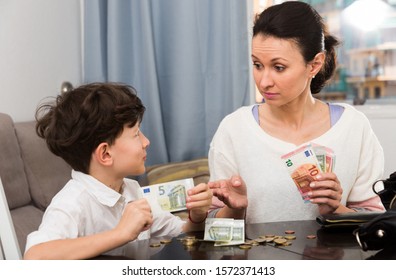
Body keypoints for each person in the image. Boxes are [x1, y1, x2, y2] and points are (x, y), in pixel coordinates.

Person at [208, 1, 385, 224]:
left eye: (278, 67)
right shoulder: (234, 129)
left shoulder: (354, 126)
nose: (264, 82)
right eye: (257, 65)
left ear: (314, 65)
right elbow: (212, 223)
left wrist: (335, 209)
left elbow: (376, 221)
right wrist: (234, 210)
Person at [24, 82, 212, 259]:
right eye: (136, 134)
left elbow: (181, 232)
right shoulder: (73, 203)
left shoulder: (132, 189)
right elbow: (34, 258)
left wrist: (197, 217)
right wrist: (120, 234)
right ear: (105, 154)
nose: (146, 142)